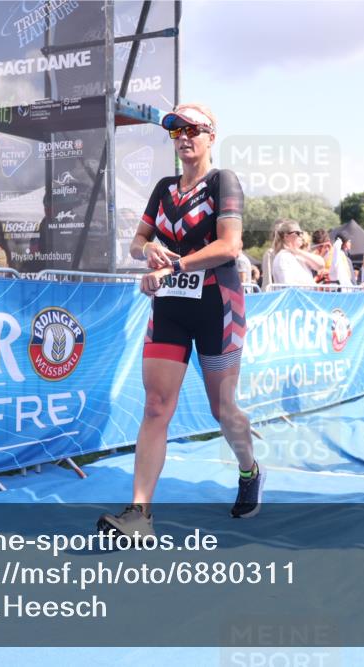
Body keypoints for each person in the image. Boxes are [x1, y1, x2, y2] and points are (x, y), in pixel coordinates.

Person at [98, 103, 261, 540]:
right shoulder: (164, 188)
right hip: (170, 306)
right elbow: (137, 242)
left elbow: (229, 246)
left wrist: (173, 266)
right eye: (176, 131)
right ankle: (139, 514)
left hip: (218, 306)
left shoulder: (223, 181)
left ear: (211, 137)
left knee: (222, 409)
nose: (184, 137)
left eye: (193, 129)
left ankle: (248, 469)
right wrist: (147, 250)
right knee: (155, 406)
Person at [270, 219, 323, 286]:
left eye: (301, 233)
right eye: (297, 233)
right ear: (286, 236)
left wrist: (298, 251)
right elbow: (287, 284)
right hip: (297, 293)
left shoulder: (298, 255)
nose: (301, 236)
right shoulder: (283, 257)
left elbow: (320, 265)